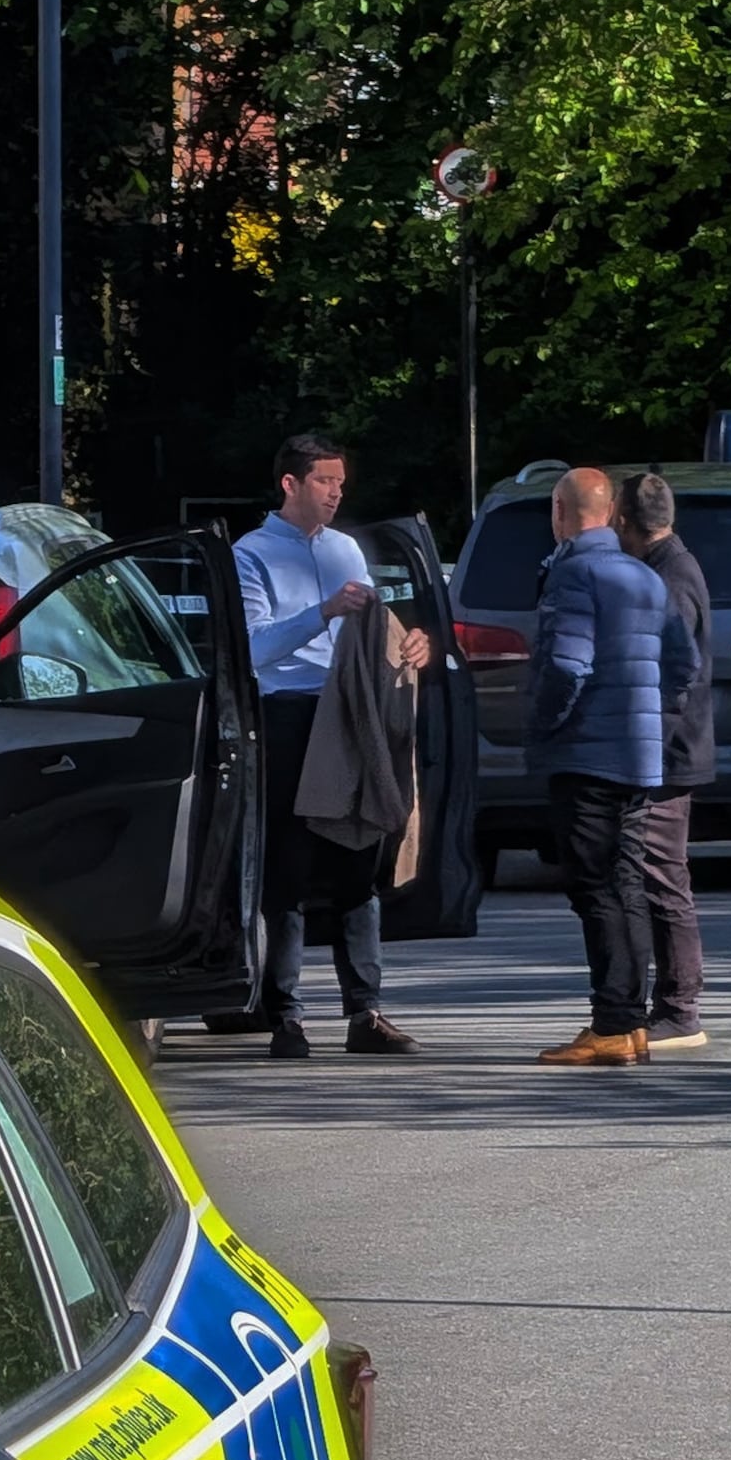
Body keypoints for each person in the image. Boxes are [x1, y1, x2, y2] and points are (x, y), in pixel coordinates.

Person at [227, 434, 422, 1058]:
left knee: (358, 857)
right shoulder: (249, 554)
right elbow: (254, 649)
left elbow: (371, 632)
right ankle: (285, 1016)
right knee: (288, 866)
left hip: (347, 713)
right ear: (291, 484)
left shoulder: (346, 549)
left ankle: (366, 1012)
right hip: (286, 714)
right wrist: (323, 611)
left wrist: (413, 644)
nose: (337, 493)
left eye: (341, 483)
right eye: (325, 482)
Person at [525, 467, 689, 1067]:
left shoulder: (573, 572)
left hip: (586, 752)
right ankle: (631, 1022)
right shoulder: (644, 576)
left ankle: (613, 1025)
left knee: (594, 889)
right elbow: (686, 661)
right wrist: (651, 713)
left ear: (559, 511)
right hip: (638, 755)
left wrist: (545, 723)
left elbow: (567, 666)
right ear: (612, 511)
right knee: (624, 885)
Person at [625, 472, 713, 1050]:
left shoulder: (672, 574)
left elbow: (675, 671)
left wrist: (647, 745)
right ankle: (668, 1003)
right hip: (669, 747)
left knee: (662, 876)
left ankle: (680, 1008)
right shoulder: (667, 567)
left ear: (625, 522)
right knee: (657, 873)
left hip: (668, 752)